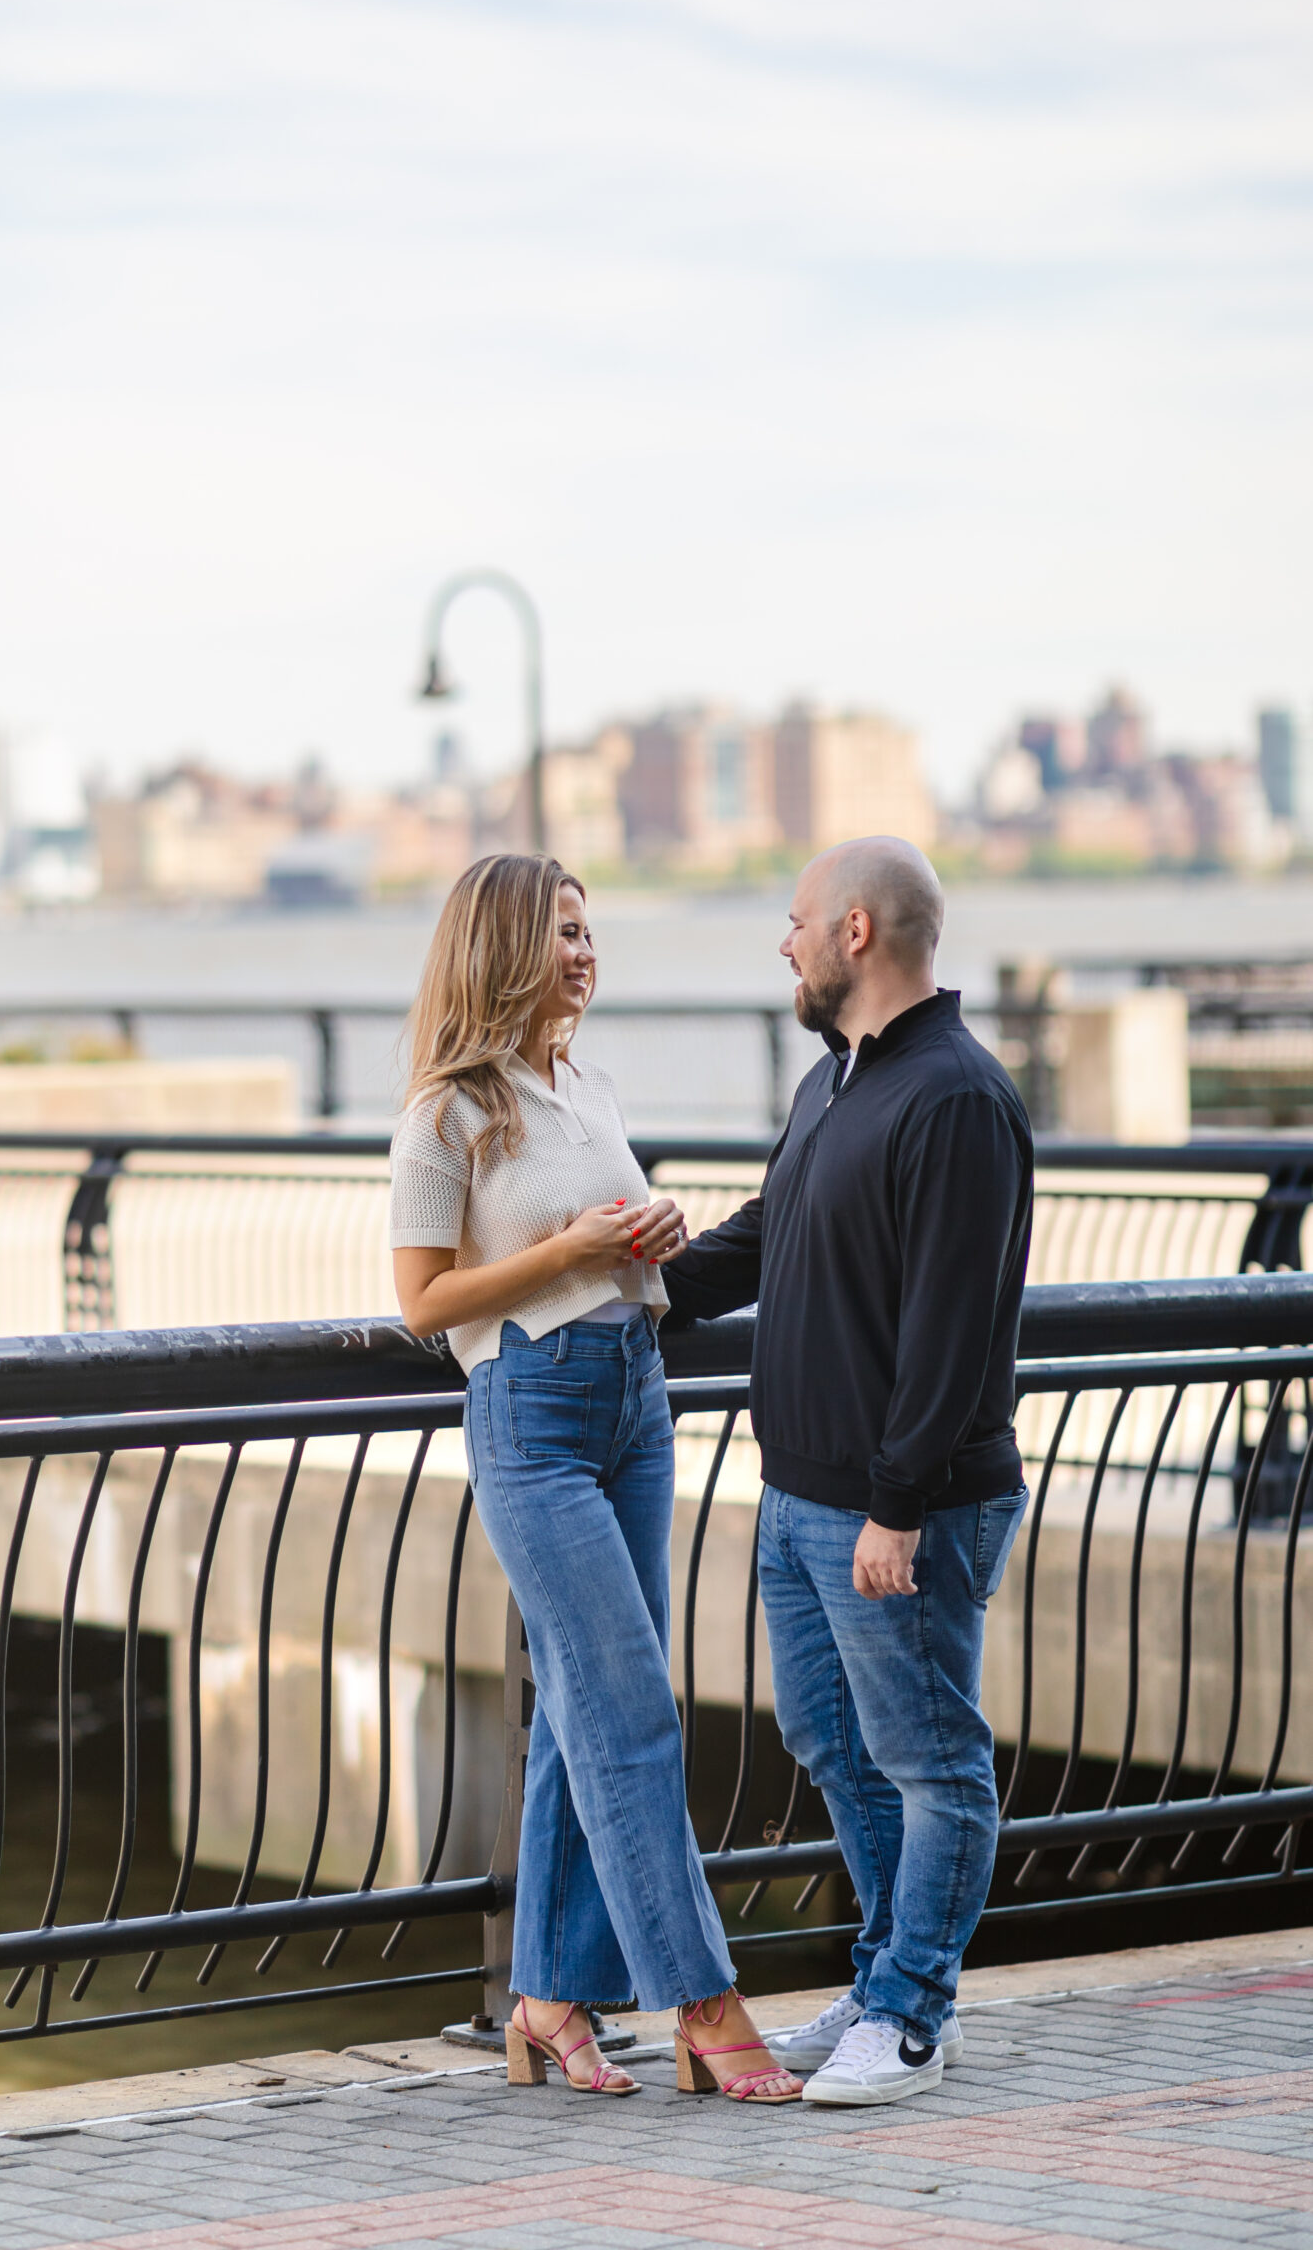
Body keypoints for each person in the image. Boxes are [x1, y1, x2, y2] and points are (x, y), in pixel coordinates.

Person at [390, 853, 801, 2104]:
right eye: (561, 931)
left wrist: (643, 1243)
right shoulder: (448, 1112)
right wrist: (570, 1246)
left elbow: (598, 1251)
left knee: (587, 1706)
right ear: (500, 947)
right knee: (627, 1706)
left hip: (636, 1393)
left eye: (587, 929)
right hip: (531, 1408)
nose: (584, 949)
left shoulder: (588, 1088)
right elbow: (420, 1303)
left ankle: (548, 1996)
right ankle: (703, 1999)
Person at [661, 836, 1033, 2109]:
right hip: (798, 1494)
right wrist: (634, 1295)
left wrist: (898, 1503)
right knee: (837, 1745)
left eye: (798, 919)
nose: (785, 940)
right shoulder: (835, 1084)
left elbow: (949, 1326)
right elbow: (766, 1238)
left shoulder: (958, 1099)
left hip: (898, 1507)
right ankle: (883, 1982)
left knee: (935, 1761)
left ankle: (916, 2015)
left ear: (858, 931)